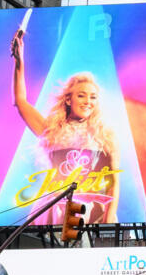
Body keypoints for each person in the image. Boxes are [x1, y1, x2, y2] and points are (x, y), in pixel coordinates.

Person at [11, 28, 120, 225]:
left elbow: (114, 182)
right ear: (69, 99)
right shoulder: (51, 130)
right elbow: (21, 102)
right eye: (81, 95)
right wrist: (19, 62)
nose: (88, 101)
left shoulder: (105, 135)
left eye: (93, 97)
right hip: (53, 208)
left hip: (88, 210)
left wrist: (109, 218)